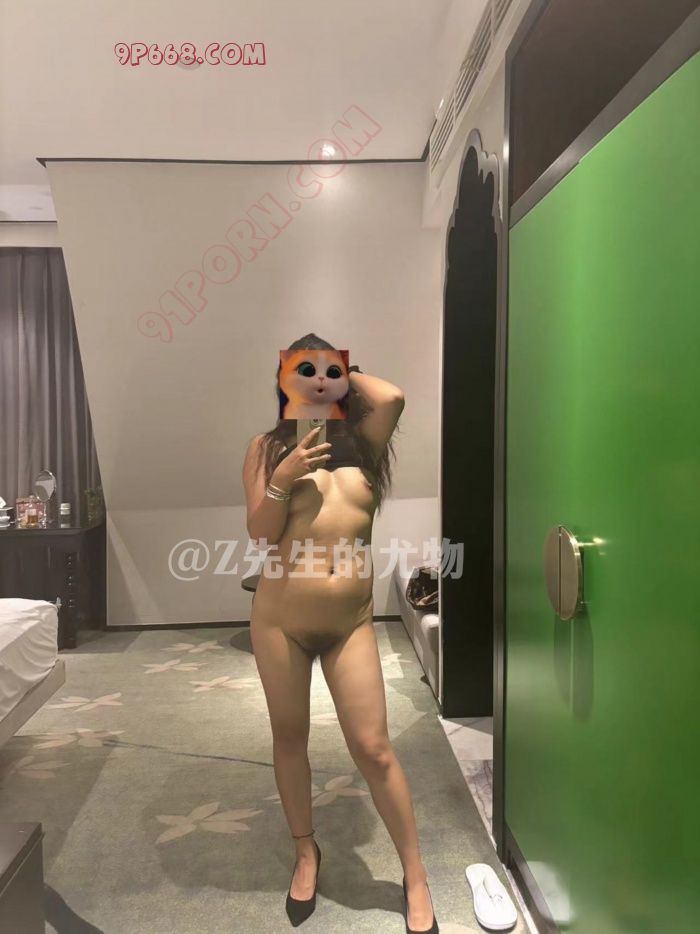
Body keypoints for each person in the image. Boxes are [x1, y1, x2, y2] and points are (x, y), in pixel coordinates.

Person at [242, 333, 439, 933]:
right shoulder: (265, 447)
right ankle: (306, 852)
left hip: (349, 621)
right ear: (282, 380)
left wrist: (335, 371)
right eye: (300, 371)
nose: (316, 380)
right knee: (290, 738)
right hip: (280, 619)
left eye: (327, 371)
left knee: (374, 748)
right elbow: (260, 532)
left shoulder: (364, 440)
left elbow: (393, 396)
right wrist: (282, 478)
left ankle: (415, 873)